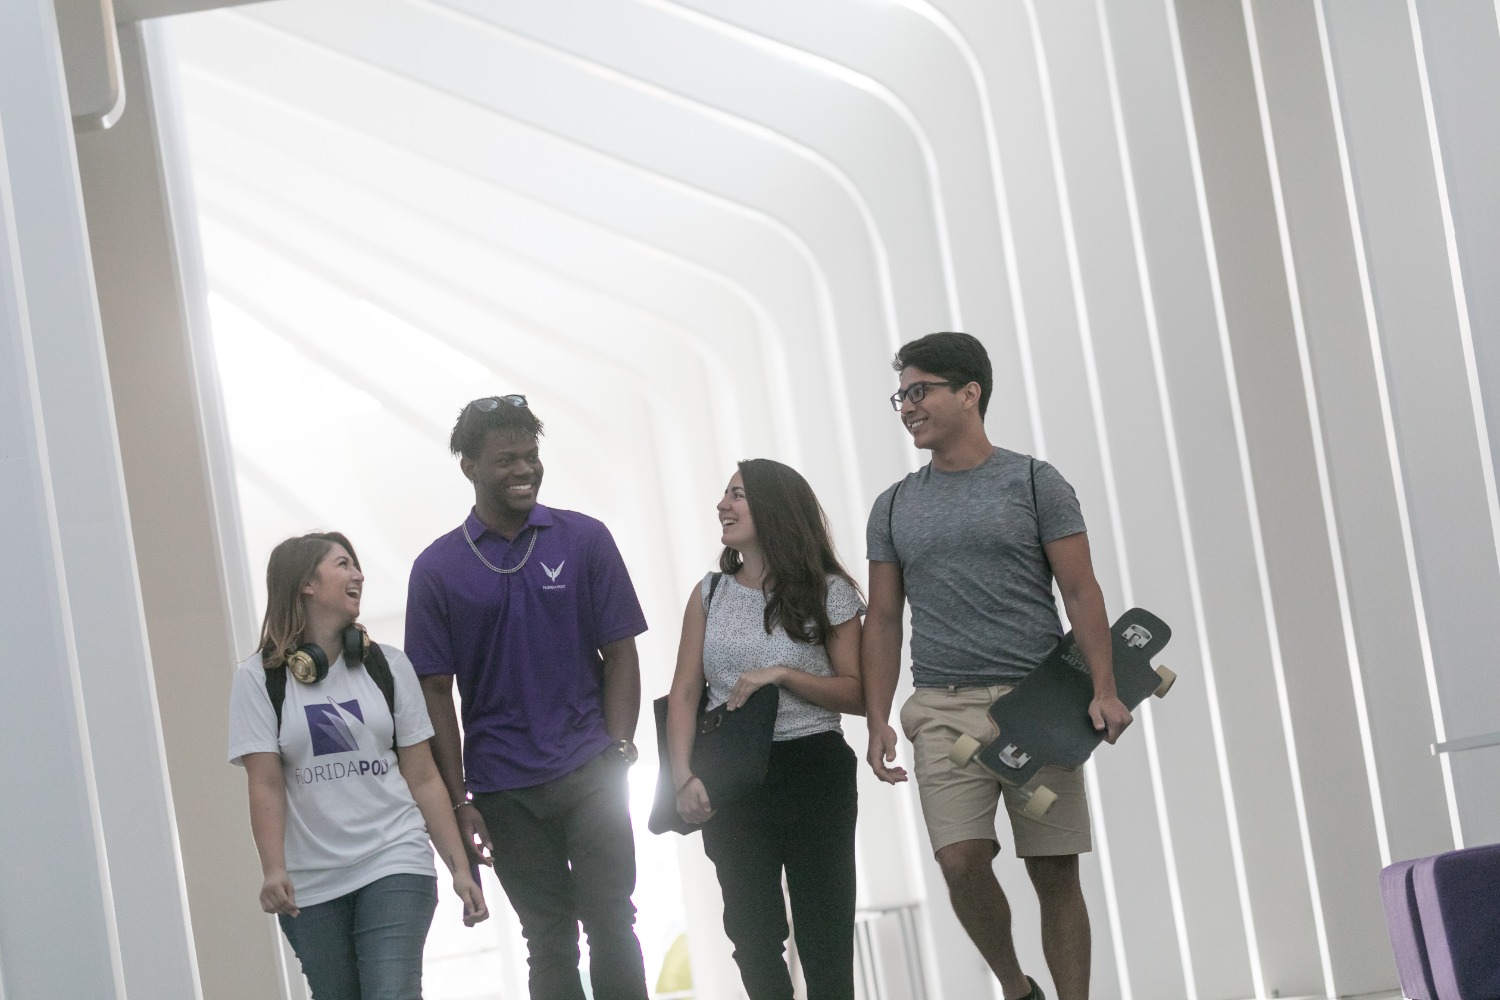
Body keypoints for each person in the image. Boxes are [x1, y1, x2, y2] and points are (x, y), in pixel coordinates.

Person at [862, 333, 1132, 1000]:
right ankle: (1015, 987)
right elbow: (885, 620)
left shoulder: (1036, 482)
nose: (907, 407)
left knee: (1054, 869)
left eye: (919, 391)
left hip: (1037, 711)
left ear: (969, 393)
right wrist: (876, 718)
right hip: (943, 716)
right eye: (902, 395)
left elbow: (1081, 590)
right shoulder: (894, 506)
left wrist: (1104, 688)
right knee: (960, 861)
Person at [406, 395, 650, 1000]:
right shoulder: (435, 569)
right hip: (504, 788)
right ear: (469, 467)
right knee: (547, 937)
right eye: (505, 459)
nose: (524, 469)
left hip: (589, 766)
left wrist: (618, 748)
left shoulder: (585, 538)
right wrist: (460, 798)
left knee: (613, 921)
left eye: (531, 456)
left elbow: (621, 652)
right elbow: (435, 694)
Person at [228, 531, 488, 1000]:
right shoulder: (257, 680)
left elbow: (423, 776)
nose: (358, 574)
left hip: (394, 856)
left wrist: (459, 867)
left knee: (391, 991)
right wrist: (272, 869)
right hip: (312, 880)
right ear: (307, 584)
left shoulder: (387, 666)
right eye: (343, 564)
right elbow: (264, 783)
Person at [667, 459, 866, 1000]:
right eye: (724, 494)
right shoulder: (708, 594)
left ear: (775, 509)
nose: (722, 505)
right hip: (732, 778)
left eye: (737, 495)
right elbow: (685, 691)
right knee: (753, 937)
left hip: (814, 769)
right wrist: (682, 776)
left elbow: (860, 693)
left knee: (825, 937)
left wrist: (783, 675)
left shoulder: (831, 592)